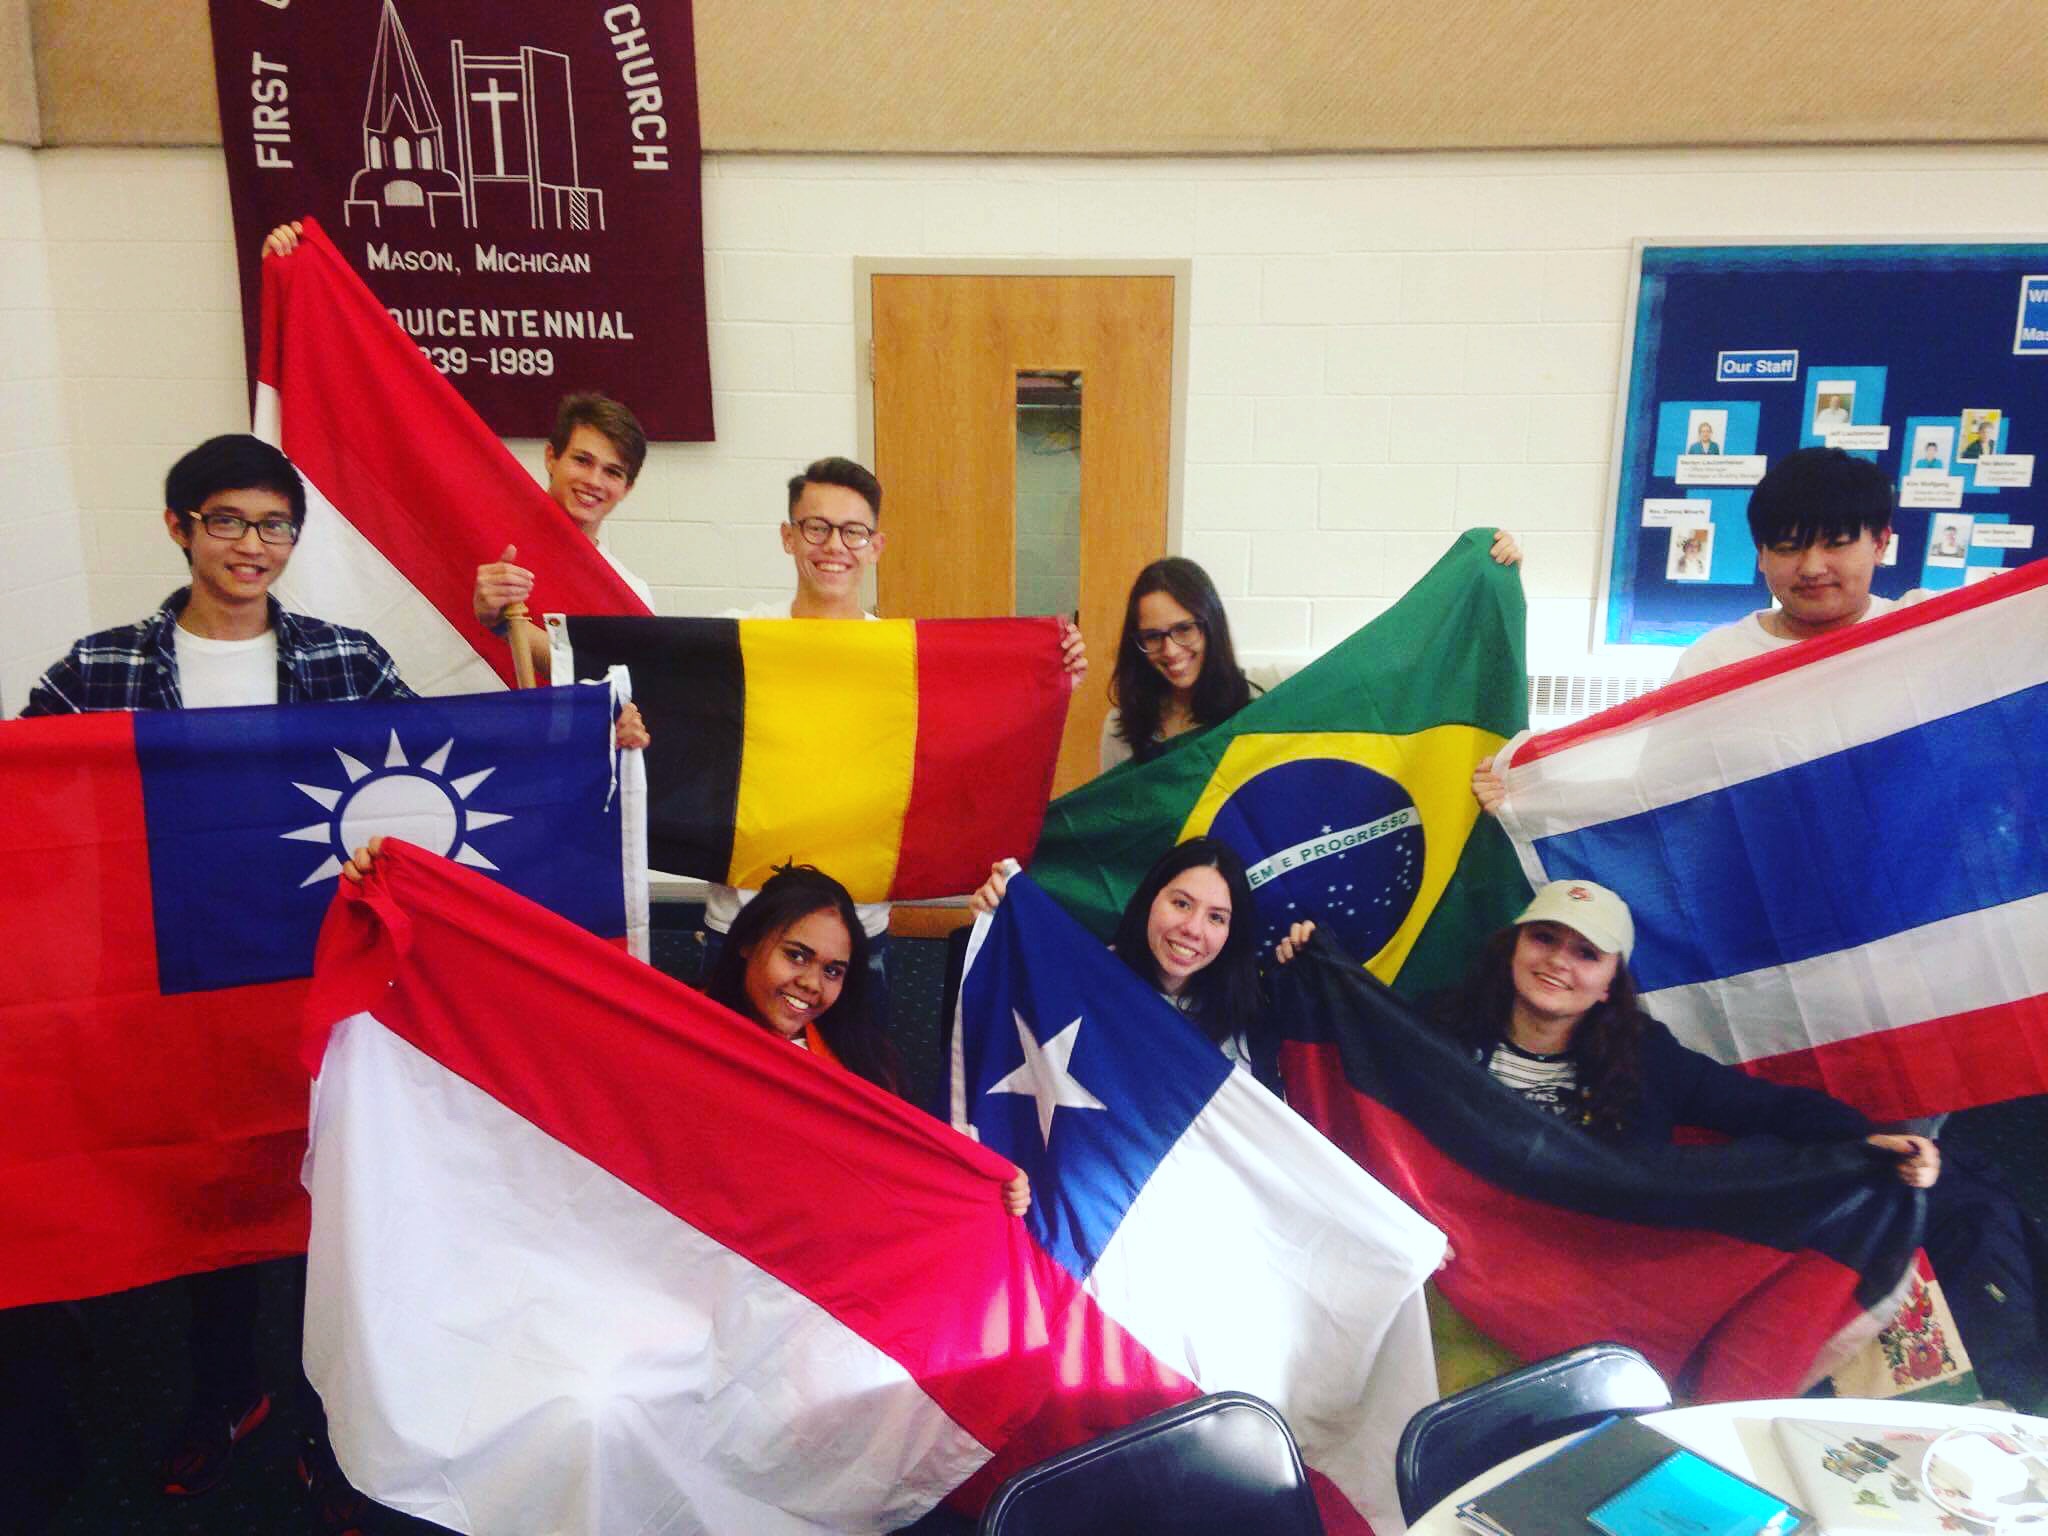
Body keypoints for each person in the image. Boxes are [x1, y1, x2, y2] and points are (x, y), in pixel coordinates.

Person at [20, 434, 413, 1525]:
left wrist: (589, 740)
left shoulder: (346, 660)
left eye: (275, 525)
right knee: (207, 1203)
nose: (254, 545)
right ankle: (224, 1399)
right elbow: (31, 814)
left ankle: (331, 1421)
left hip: (311, 973)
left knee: (332, 1199)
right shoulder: (96, 670)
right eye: (229, 521)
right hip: (170, 988)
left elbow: (441, 772)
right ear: (179, 528)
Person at [1287, 879, 2047, 1410]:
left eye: (1586, 953)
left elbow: (1769, 1109)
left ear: (1610, 978)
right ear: (1513, 947)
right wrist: (1307, 969)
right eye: (1545, 938)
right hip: (1454, 1279)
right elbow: (1354, 1052)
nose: (1559, 961)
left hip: (1591, 1292)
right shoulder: (1436, 1033)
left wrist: (1873, 1143)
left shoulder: (1647, 1060)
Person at [699, 457, 1089, 1014]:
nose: (834, 544)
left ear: (876, 545)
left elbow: (980, 742)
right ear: (789, 537)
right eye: (816, 527)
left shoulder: (906, 660)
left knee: (854, 1092)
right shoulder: (735, 638)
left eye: (853, 531)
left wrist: (1049, 677)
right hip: (742, 924)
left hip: (855, 934)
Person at [261, 221, 652, 686]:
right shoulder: (478, 534)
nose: (593, 481)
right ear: (551, 457)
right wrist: (296, 271)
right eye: (582, 460)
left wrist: (512, 627)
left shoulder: (629, 592)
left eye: (612, 472)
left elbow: (634, 686)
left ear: (626, 489)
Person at [1103, 533, 1522, 771]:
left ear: (1209, 624)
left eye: (1183, 629)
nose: (1171, 649)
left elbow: (1370, 681)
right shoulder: (1121, 728)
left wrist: (1487, 578)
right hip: (1165, 909)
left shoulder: (1261, 695)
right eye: (1153, 636)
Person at [970, 837, 1278, 1090]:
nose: (1193, 929)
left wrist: (1310, 961)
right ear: (1150, 901)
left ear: (1231, 932)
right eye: (1181, 903)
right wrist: (993, 928)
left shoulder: (1251, 1012)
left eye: (1216, 917)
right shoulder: (1084, 981)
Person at [1661, 447, 1930, 684]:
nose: (1812, 569)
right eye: (1789, 548)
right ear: (1761, 556)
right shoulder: (1712, 663)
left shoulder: (1930, 630)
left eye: (1835, 544)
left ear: (1880, 544)